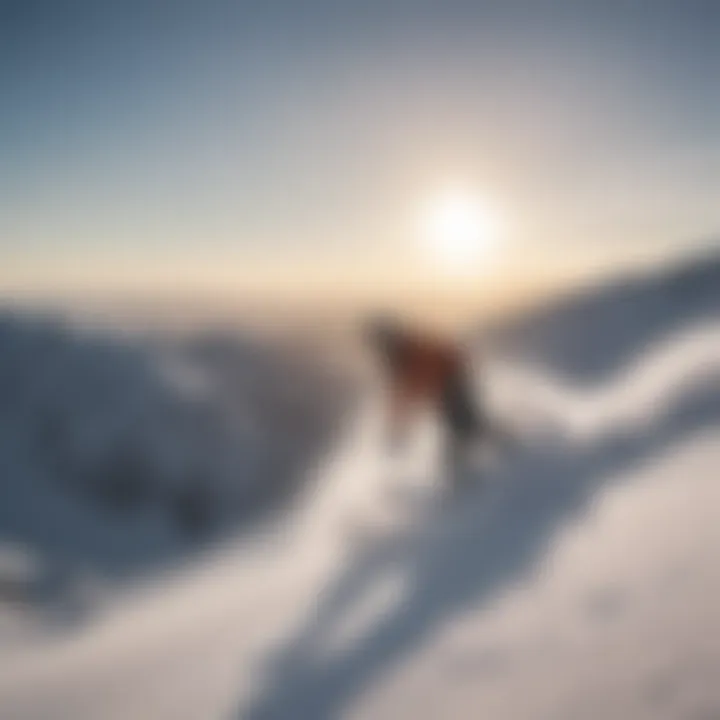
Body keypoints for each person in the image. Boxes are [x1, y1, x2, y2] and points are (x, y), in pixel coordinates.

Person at [364, 315, 507, 489]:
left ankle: (470, 479)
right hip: (446, 394)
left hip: (452, 390)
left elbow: (406, 392)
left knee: (465, 432)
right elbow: (403, 396)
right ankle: (499, 454)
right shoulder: (401, 358)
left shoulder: (409, 350)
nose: (380, 350)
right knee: (471, 429)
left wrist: (398, 430)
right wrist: (398, 430)